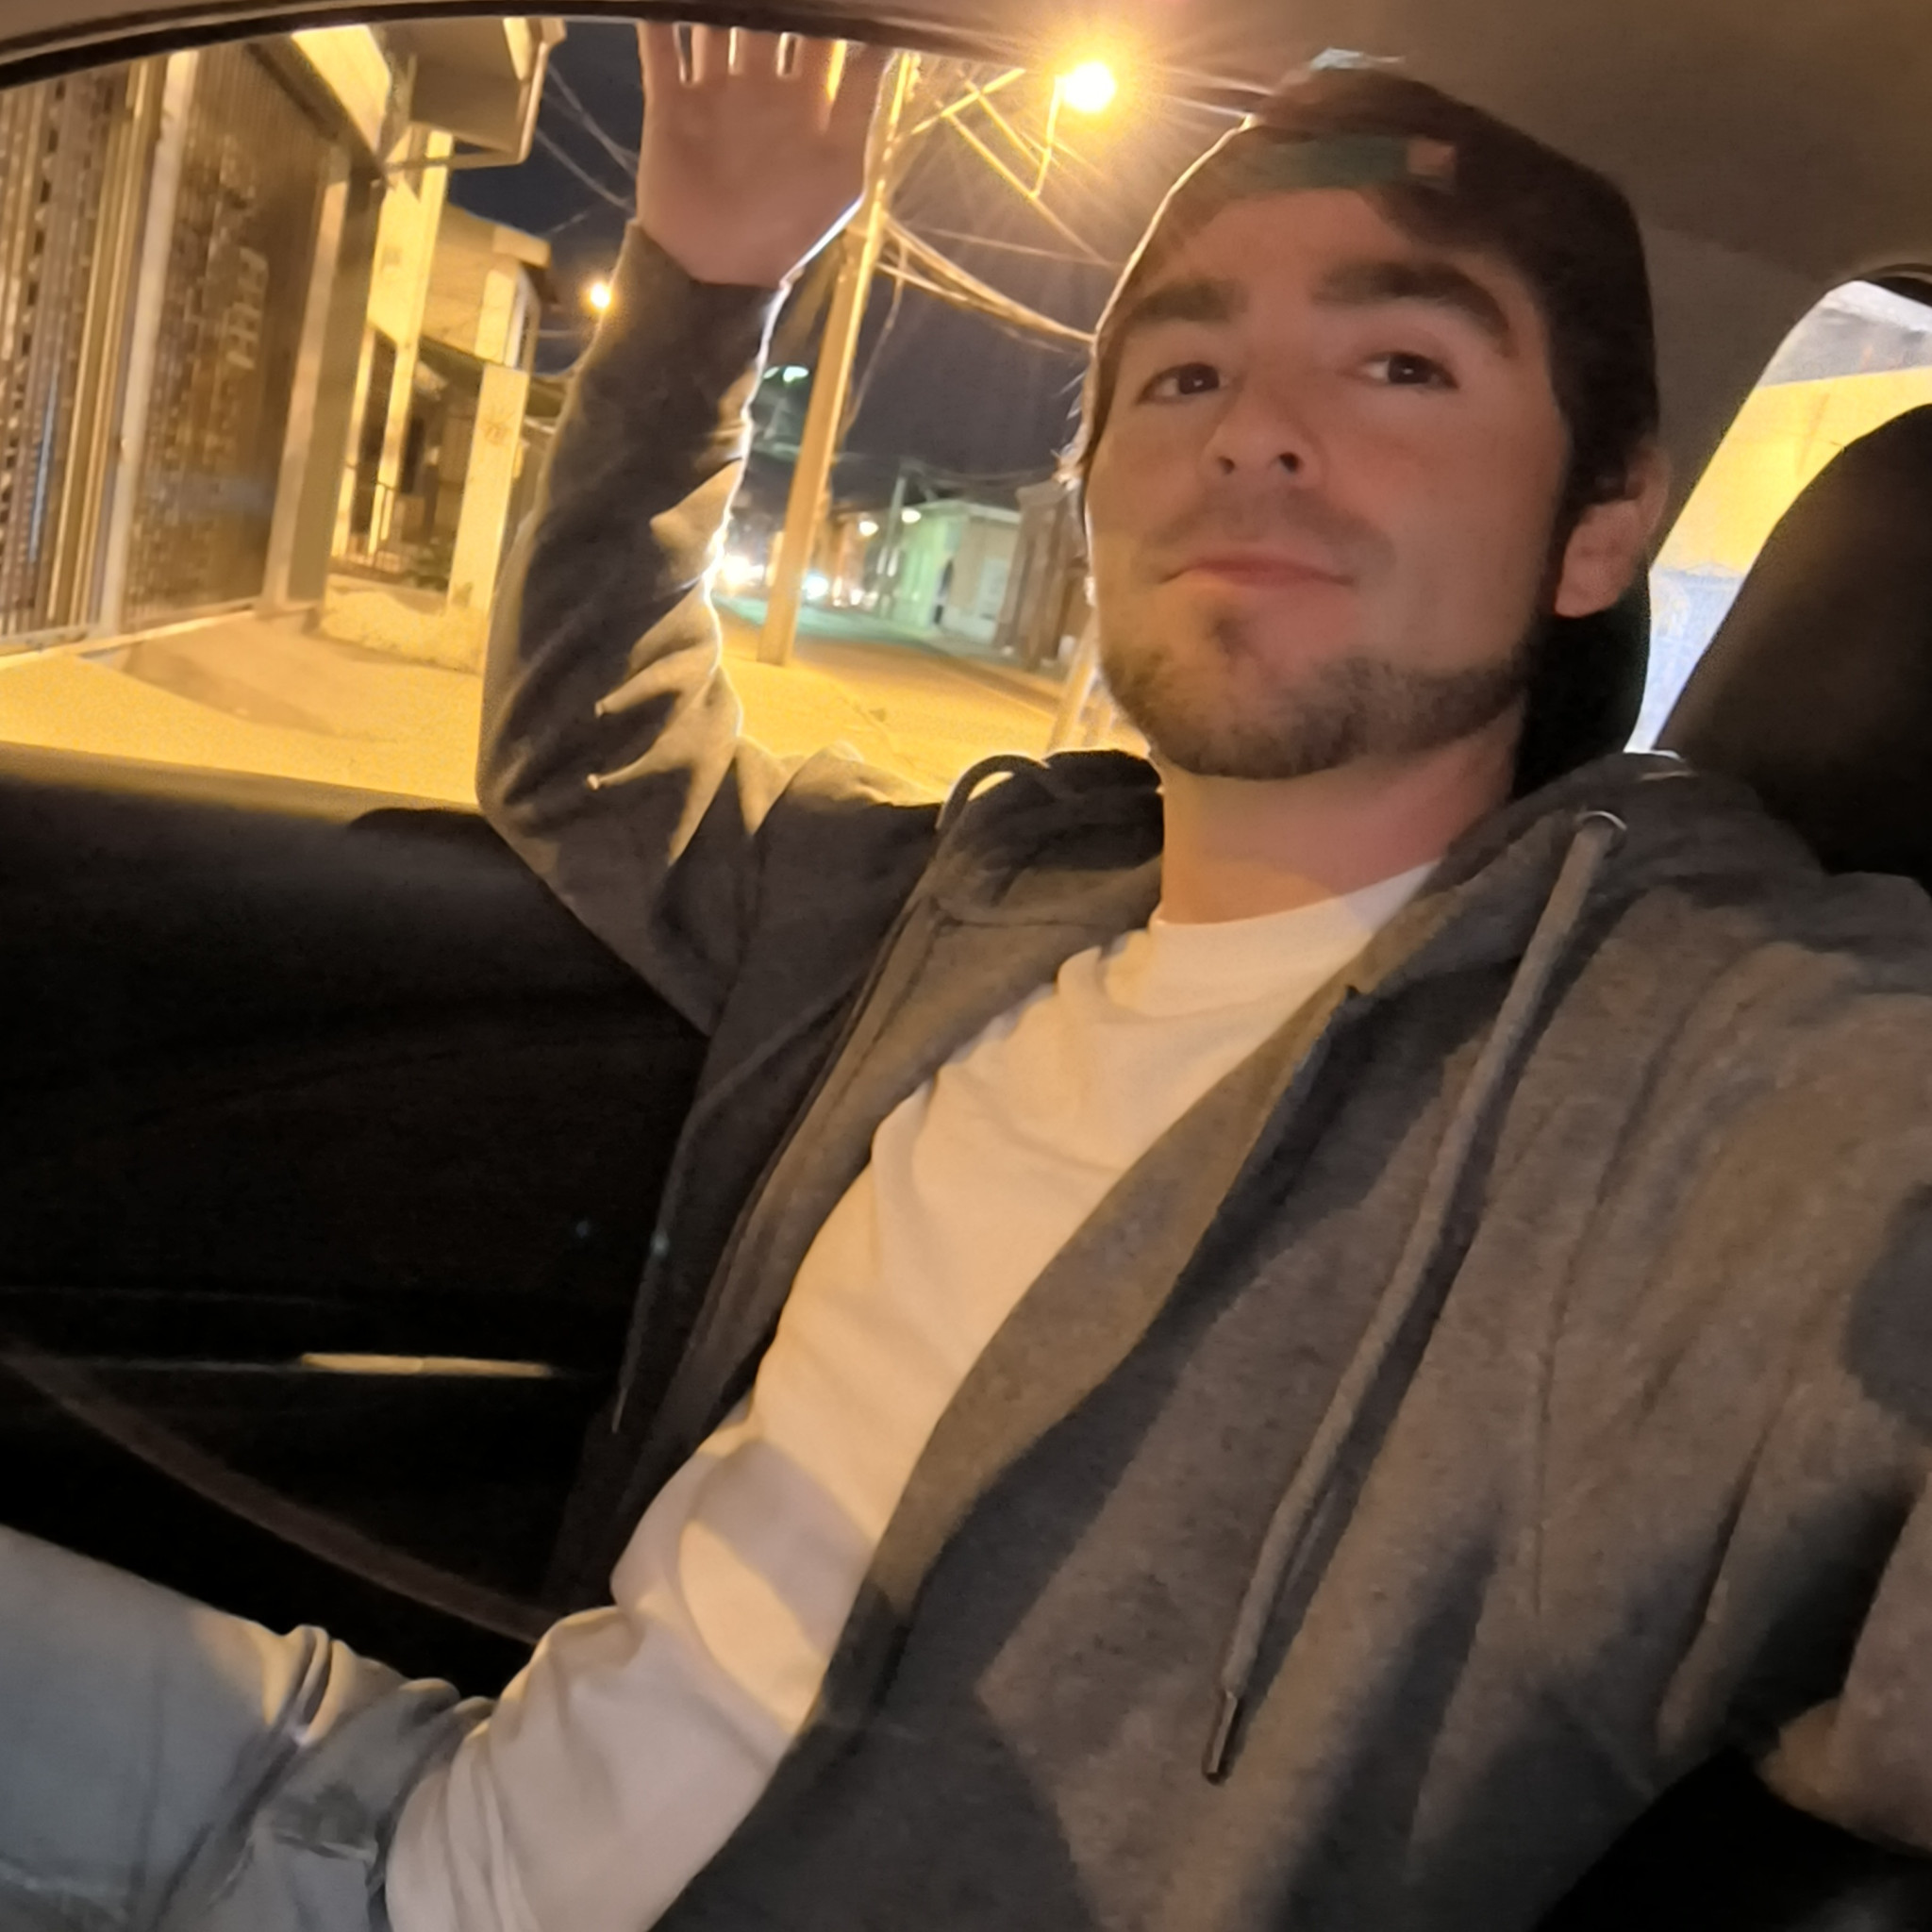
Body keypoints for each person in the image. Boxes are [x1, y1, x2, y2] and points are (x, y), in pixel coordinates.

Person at [8, 22, 1932, 1932]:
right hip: (389, 1796)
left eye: (1400, 363)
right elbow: (593, 746)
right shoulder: (986, 897)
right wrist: (707, 283)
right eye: (1182, 372)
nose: (1253, 429)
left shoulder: (1710, 1069)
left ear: (1602, 524)